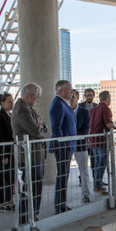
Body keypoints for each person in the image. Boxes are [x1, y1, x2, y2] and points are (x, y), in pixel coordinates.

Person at [12, 82, 48, 222]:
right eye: (37, 97)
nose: (38, 100)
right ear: (31, 95)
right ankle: (27, 216)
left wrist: (40, 127)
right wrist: (39, 127)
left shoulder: (28, 108)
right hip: (29, 155)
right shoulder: (22, 109)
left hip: (35, 154)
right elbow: (36, 130)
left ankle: (32, 215)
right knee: (30, 187)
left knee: (36, 185)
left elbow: (42, 126)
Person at [48, 80, 76, 214]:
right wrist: (63, 145)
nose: (71, 93)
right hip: (63, 146)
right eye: (69, 90)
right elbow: (56, 127)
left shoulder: (64, 104)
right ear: (61, 91)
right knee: (62, 175)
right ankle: (59, 205)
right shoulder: (58, 104)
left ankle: (62, 203)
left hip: (68, 145)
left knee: (64, 175)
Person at [0, 92, 16, 211]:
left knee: (10, 176)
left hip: (10, 151)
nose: (12, 103)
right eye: (9, 101)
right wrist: (3, 155)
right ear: (2, 103)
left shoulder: (9, 115)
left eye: (12, 101)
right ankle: (3, 202)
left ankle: (9, 199)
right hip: (4, 152)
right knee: (4, 176)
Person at [88, 90, 115, 194]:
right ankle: (97, 185)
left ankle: (97, 183)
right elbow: (108, 124)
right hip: (101, 140)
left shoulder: (94, 109)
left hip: (93, 139)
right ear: (107, 98)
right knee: (102, 163)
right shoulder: (105, 108)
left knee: (97, 163)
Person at [74, 88, 95, 203]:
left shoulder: (84, 112)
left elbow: (85, 128)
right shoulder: (63, 110)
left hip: (81, 143)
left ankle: (86, 194)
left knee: (84, 169)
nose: (89, 97)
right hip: (65, 145)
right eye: (87, 95)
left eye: (74, 96)